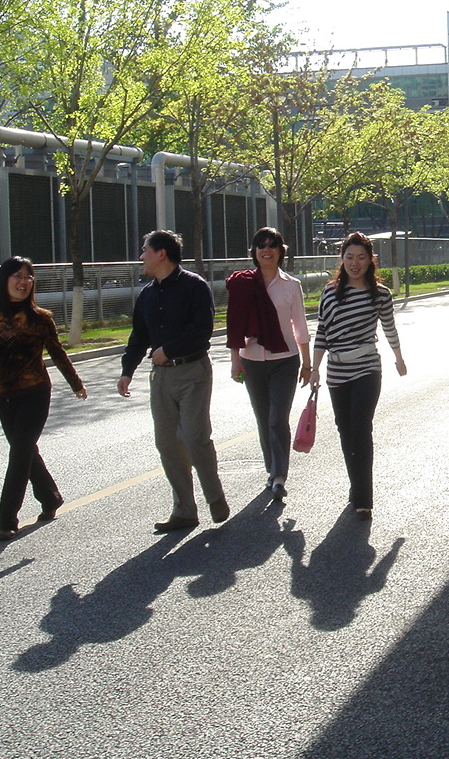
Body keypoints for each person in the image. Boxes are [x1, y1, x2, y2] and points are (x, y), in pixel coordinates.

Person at [0, 257, 88, 541]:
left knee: (19, 453)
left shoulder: (41, 319)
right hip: (6, 397)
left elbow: (57, 353)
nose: (23, 282)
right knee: (25, 451)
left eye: (28, 277)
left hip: (36, 393)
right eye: (17, 276)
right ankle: (50, 497)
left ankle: (7, 519)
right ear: (5, 281)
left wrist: (76, 384)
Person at [117, 230, 229, 533]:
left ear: (161, 254)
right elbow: (139, 336)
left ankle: (215, 496)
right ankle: (184, 510)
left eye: (145, 250)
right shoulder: (147, 295)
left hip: (193, 372)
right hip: (161, 377)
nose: (141, 256)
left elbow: (202, 329)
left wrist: (169, 349)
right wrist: (127, 371)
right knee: (167, 443)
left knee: (194, 436)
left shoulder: (194, 286)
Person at [309, 232, 406, 519]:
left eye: (361, 257)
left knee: (361, 428)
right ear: (342, 259)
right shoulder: (329, 292)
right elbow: (322, 331)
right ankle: (357, 484)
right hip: (336, 371)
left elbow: (389, 327)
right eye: (349, 257)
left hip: (367, 368)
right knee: (345, 430)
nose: (355, 263)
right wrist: (314, 368)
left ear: (370, 260)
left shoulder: (380, 294)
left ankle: (364, 498)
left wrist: (399, 358)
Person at [226, 227, 311, 500]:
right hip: (252, 361)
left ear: (280, 251)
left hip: (285, 361)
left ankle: (280, 475)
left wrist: (307, 364)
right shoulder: (243, 283)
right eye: (261, 245)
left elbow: (300, 326)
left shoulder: (291, 285)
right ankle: (271, 470)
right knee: (263, 420)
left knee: (277, 419)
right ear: (254, 252)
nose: (266, 250)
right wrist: (235, 361)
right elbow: (235, 325)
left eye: (272, 245)